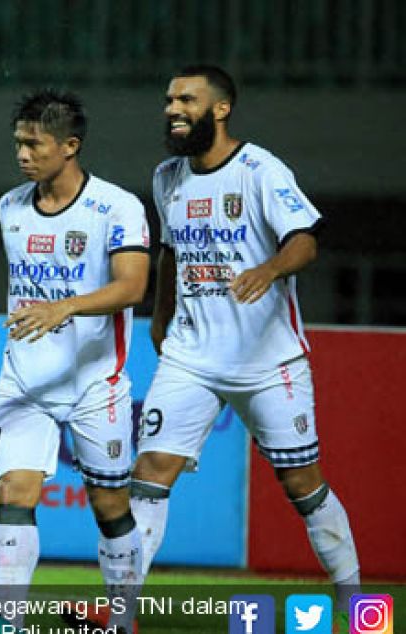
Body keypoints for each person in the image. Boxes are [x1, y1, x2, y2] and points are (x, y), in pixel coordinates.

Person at [130, 65, 360, 623]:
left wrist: (270, 269)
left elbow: (304, 242)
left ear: (221, 109)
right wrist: (160, 319)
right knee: (150, 470)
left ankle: (357, 603)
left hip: (266, 361)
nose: (172, 109)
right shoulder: (167, 176)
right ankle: (121, 611)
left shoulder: (259, 169)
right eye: (169, 100)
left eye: (186, 99)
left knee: (301, 483)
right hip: (190, 355)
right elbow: (170, 253)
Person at [0, 90, 150, 634]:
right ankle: (7, 621)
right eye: (18, 142)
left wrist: (67, 307)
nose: (22, 154)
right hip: (24, 381)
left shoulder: (117, 207)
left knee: (109, 506)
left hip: (93, 382)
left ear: (70, 146)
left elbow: (133, 287)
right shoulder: (9, 206)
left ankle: (123, 620)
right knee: (13, 492)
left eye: (33, 143)